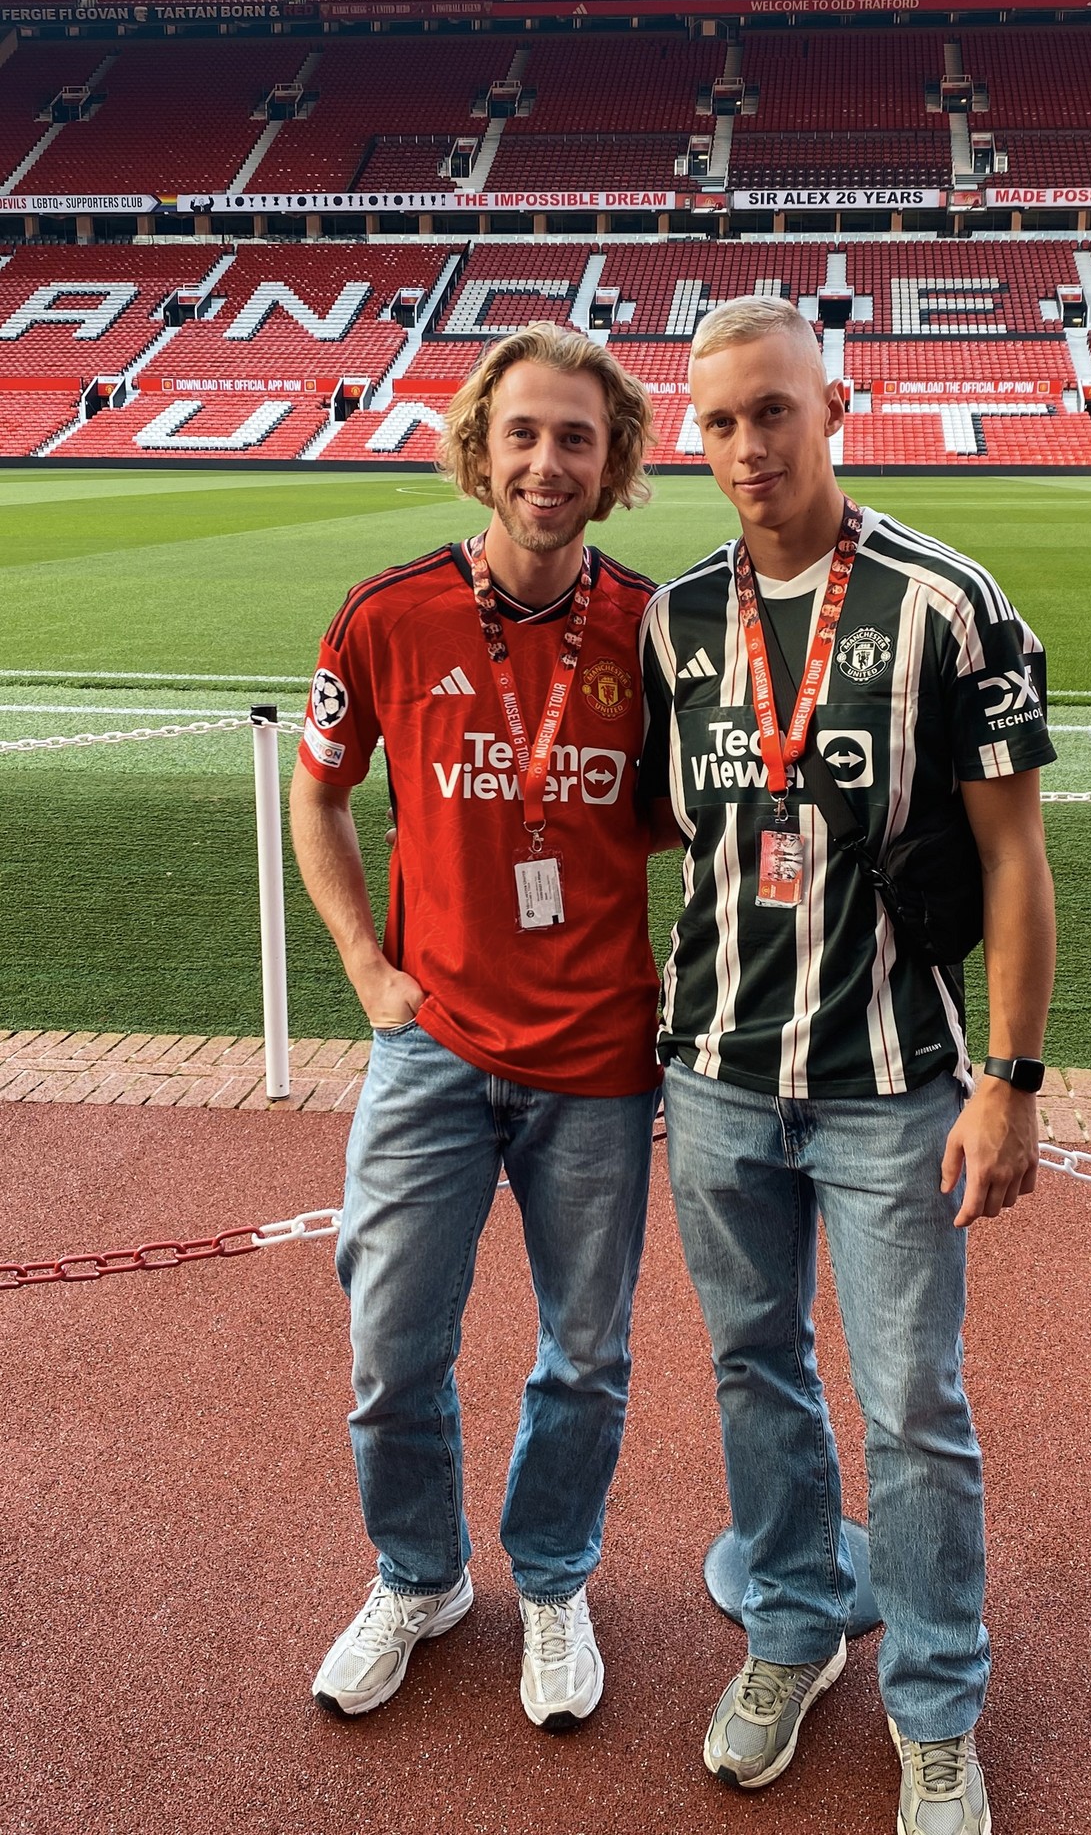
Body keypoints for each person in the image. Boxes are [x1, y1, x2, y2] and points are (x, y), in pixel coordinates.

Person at [640, 296, 1056, 1832]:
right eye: (721, 420)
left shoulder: (947, 602)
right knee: (755, 1377)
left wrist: (1008, 1077)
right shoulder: (674, 620)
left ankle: (937, 1707)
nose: (749, 445)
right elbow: (660, 845)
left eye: (775, 411)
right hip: (718, 1082)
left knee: (911, 1406)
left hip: (894, 1085)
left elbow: (1015, 863)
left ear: (835, 409)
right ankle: (796, 1629)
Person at [291, 323, 661, 1732]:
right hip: (431, 1045)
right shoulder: (386, 615)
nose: (548, 463)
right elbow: (316, 794)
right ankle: (421, 1576)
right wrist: (367, 971)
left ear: (613, 458)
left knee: (586, 1355)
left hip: (601, 1061)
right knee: (391, 1346)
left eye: (577, 437)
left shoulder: (652, 627)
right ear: (480, 447)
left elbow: (698, 809)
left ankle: (554, 1579)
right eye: (524, 434)